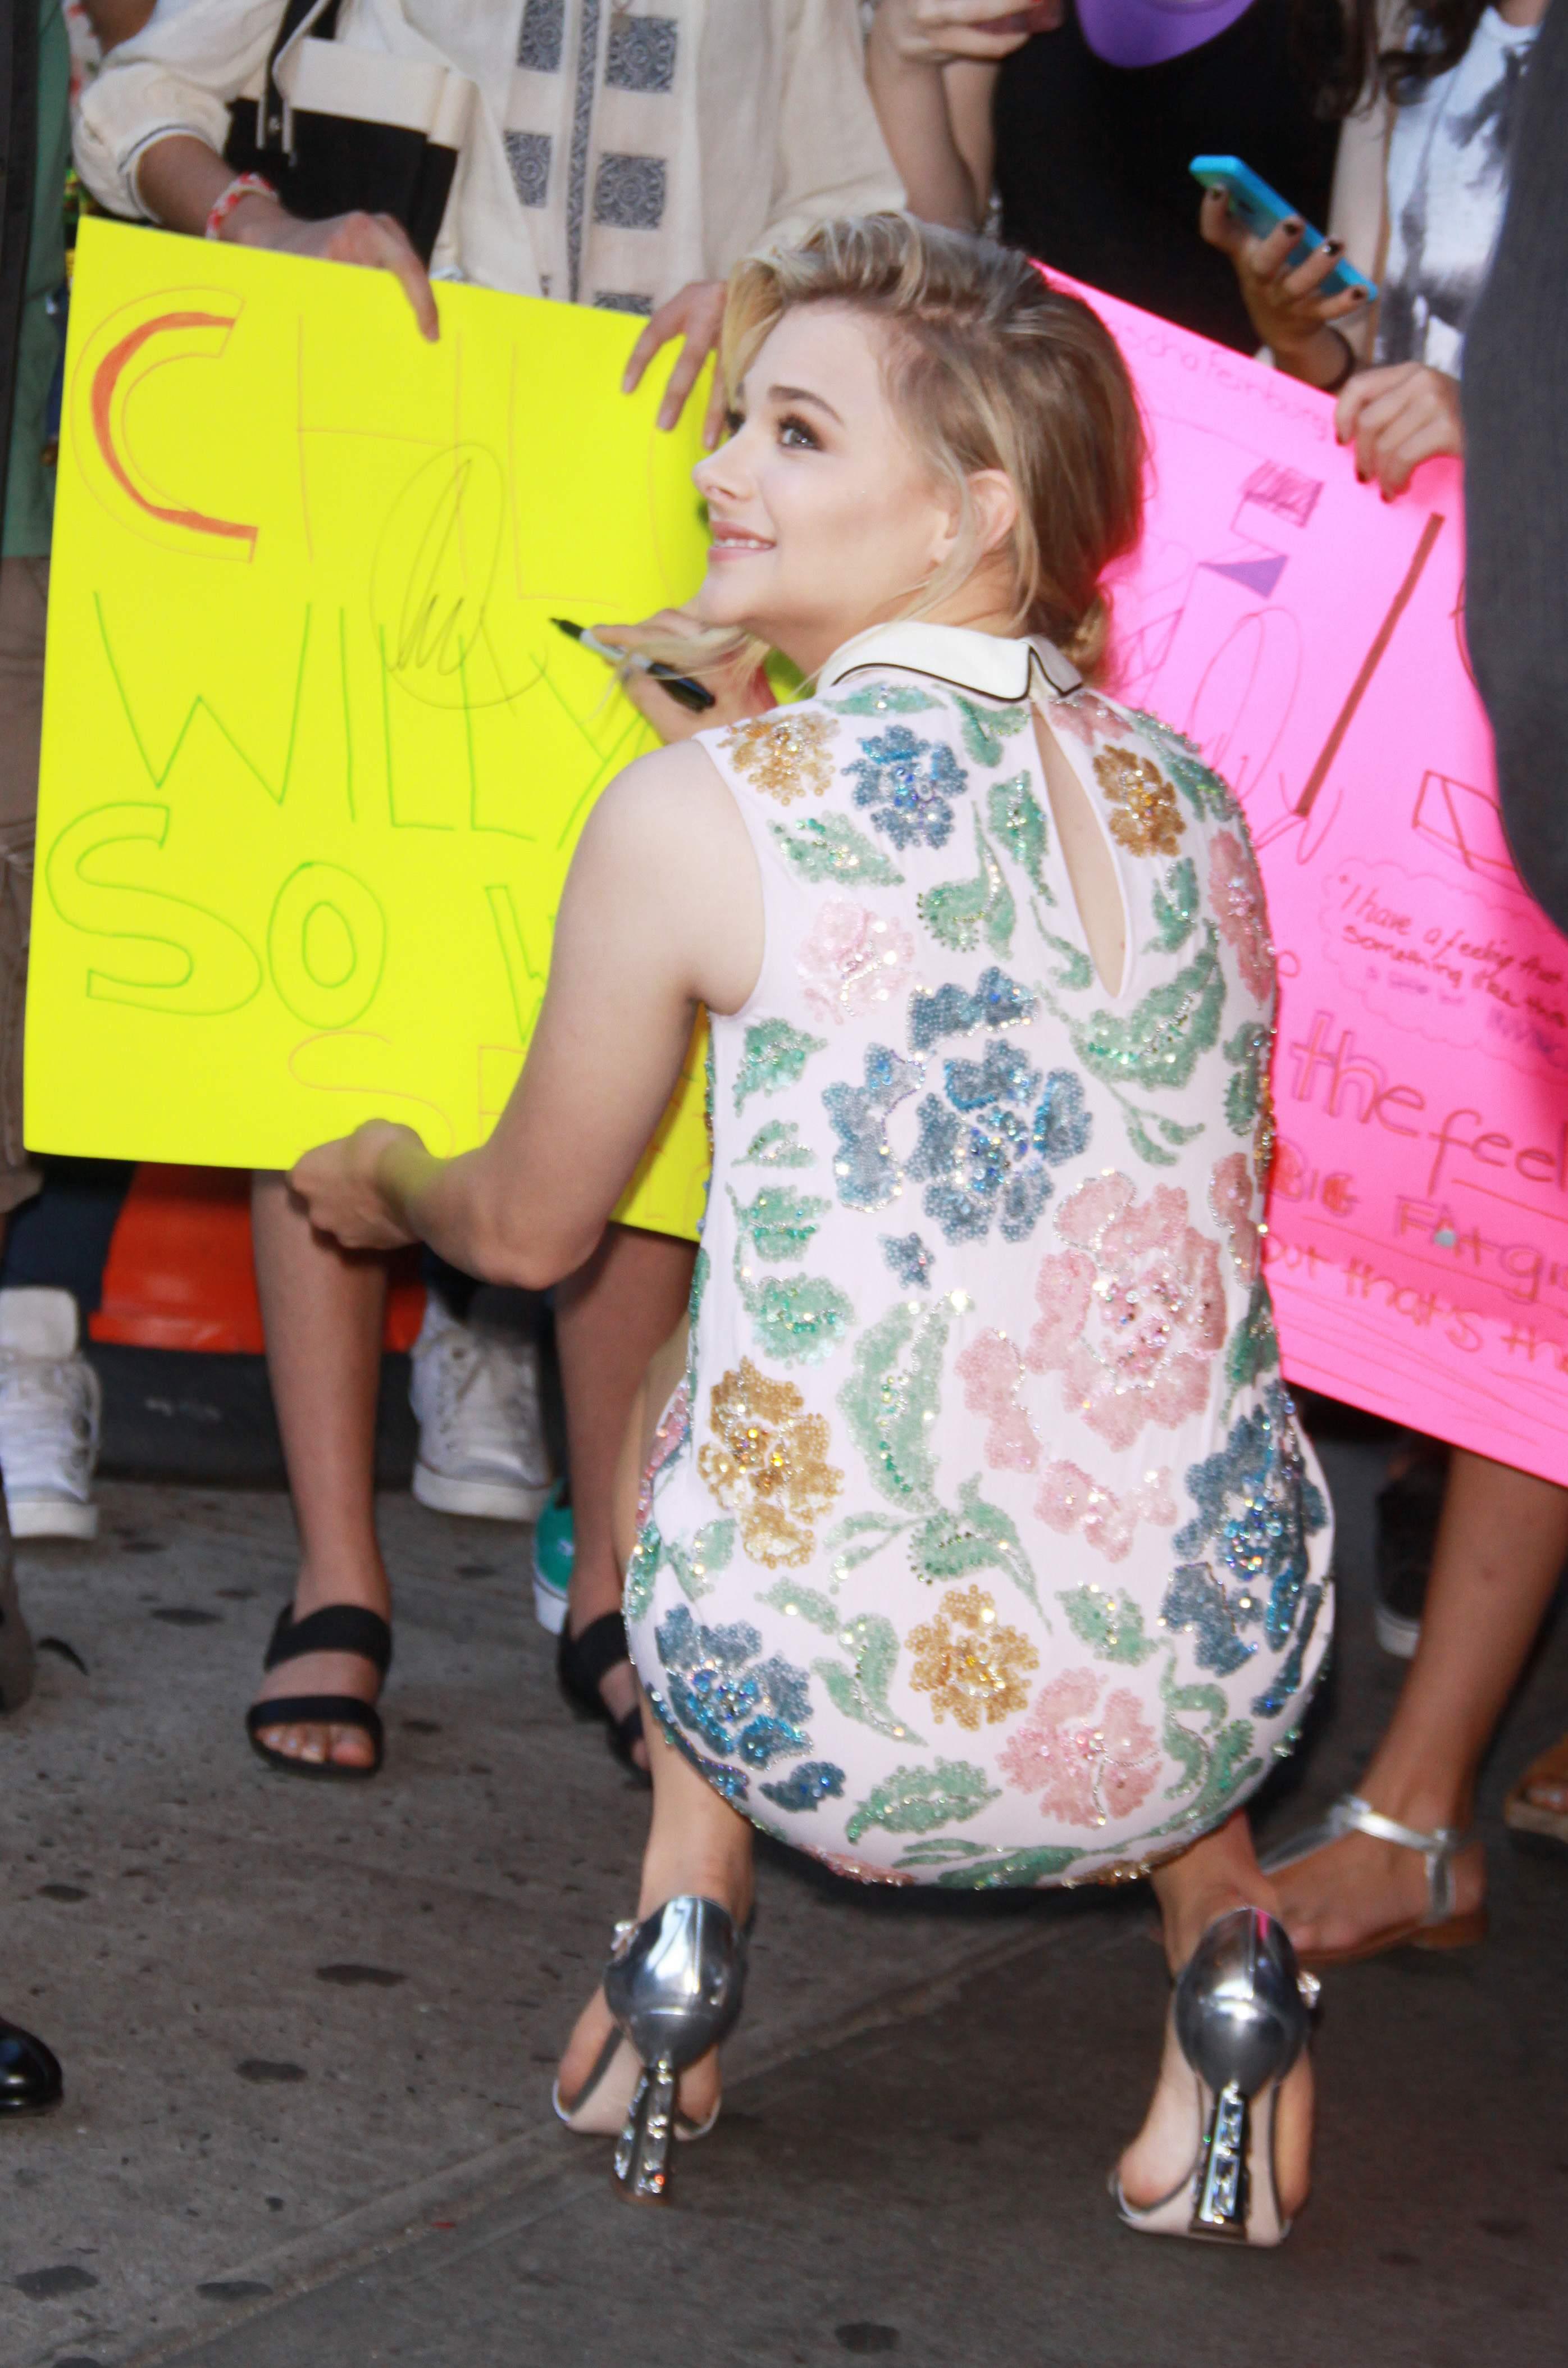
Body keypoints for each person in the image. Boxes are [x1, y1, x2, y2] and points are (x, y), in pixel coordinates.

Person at [291, 212, 1333, 2241]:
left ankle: (682, 1918)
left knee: (697, 1352)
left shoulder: (705, 817)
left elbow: (520, 1227)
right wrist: (743, 722)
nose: (714, 469)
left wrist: (378, 1173)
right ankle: (1223, 1950)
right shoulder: (1192, 798)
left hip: (816, 1705)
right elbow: (947, 945)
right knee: (1090, 1341)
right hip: (1206, 1694)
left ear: (969, 509)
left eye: (787, 433)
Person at [75, 0, 902, 1780]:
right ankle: (336, 1568)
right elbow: (137, 91)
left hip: (662, 503)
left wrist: (767, 294)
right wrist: (258, 221)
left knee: (648, 1037)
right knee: (332, 1016)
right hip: (372, 470)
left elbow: (871, 201)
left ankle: (615, 1573)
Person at [1197, 0, 1557, 1955]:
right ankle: (1274, 1769)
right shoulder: (1409, 55)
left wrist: (1505, 427)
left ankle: (1422, 1818)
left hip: (1531, 689)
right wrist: (1308, 327)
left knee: (1530, 1239)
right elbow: (1374, 370)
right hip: (1417, 690)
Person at [865, 0, 1344, 352]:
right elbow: (948, 234)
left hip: (1233, 404)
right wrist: (899, 56)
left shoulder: (1350, 21)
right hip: (1040, 381)